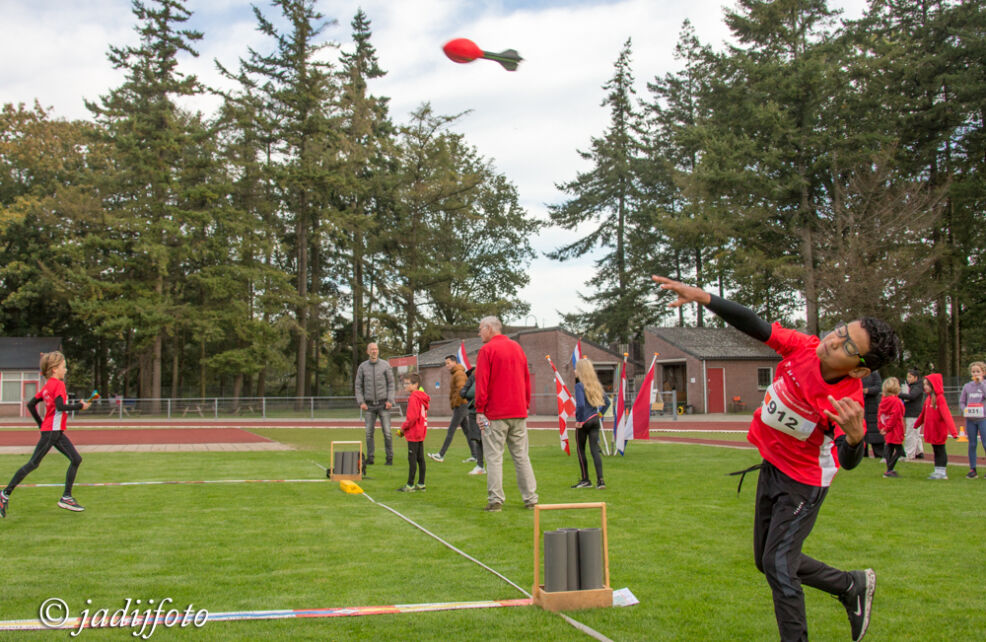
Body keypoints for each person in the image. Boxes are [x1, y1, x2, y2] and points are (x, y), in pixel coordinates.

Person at [653, 275, 901, 642]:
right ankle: (849, 585)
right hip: (772, 466)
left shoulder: (844, 400)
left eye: (847, 345)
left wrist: (854, 438)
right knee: (766, 560)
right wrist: (703, 297)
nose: (834, 340)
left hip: (803, 483)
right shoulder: (806, 348)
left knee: (779, 565)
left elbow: (849, 461)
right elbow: (754, 324)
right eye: (840, 331)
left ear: (860, 369)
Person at [0, 351, 92, 518]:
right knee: (33, 463)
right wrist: (80, 406)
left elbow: (31, 404)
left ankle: (66, 497)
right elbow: (60, 407)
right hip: (52, 432)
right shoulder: (58, 384)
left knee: (76, 459)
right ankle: (4, 494)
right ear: (55, 369)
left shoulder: (47, 385)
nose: (66, 370)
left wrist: (41, 424)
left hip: (53, 431)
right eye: (64, 366)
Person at [474, 316, 538, 512]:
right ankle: (531, 498)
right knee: (521, 456)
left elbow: (482, 381)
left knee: (494, 457)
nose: (479, 333)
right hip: (518, 411)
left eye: (480, 329)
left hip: (495, 413)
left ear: (489, 328)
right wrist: (525, 404)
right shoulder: (517, 348)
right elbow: (526, 379)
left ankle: (496, 500)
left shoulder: (487, 350)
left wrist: (479, 410)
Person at [572, 357, 610, 489]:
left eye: (576, 369)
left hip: (584, 421)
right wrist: (599, 415)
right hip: (595, 420)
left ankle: (585, 480)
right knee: (594, 450)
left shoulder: (579, 386)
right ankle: (601, 480)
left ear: (581, 371)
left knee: (580, 449)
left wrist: (579, 420)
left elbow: (581, 405)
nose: (574, 371)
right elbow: (607, 402)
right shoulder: (596, 385)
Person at [354, 342, 395, 465]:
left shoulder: (385, 365)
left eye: (376, 349)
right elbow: (358, 386)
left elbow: (391, 384)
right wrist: (361, 401)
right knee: (369, 434)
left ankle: (389, 458)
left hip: (384, 404)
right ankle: (370, 458)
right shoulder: (362, 367)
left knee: (387, 433)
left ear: (378, 351)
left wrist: (390, 400)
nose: (374, 351)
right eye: (372, 349)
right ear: (368, 351)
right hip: (369, 405)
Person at [914, 373, 957, 480]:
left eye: (927, 385)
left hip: (939, 431)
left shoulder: (940, 399)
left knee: (940, 450)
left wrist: (954, 432)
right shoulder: (928, 399)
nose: (925, 387)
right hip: (931, 431)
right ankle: (937, 470)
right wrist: (916, 425)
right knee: (936, 450)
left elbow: (947, 416)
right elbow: (923, 414)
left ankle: (942, 472)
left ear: (933, 385)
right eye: (924, 384)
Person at [428, 355, 471, 464]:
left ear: (454, 362)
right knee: (467, 432)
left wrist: (456, 403)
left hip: (460, 405)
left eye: (448, 363)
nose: (447, 365)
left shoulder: (459, 374)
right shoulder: (456, 373)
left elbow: (461, 390)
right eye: (446, 364)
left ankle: (441, 455)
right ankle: (475, 455)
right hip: (461, 405)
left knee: (451, 430)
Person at [396, 374, 429, 492]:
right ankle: (421, 483)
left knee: (412, 459)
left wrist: (402, 429)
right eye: (404, 383)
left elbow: (412, 418)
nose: (405, 386)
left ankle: (410, 485)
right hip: (421, 431)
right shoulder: (421, 397)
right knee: (420, 458)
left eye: (407, 383)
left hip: (414, 433)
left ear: (416, 385)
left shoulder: (414, 397)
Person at [958, 361, 986, 479]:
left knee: (985, 443)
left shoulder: (984, 385)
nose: (975, 374)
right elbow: (962, 401)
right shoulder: (967, 386)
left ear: (983, 373)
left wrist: (982, 383)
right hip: (970, 420)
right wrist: (965, 410)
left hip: (983, 418)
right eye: (973, 371)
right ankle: (972, 469)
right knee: (972, 444)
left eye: (978, 371)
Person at [459, 366, 486, 475]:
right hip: (480, 413)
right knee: (481, 439)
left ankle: (481, 465)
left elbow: (467, 392)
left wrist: (472, 396)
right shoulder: (474, 377)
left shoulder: (476, 377)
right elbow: (463, 392)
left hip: (479, 413)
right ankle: (481, 465)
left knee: (482, 439)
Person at [877, 377, 906, 478]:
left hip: (887, 428)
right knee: (899, 451)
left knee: (889, 447)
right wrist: (888, 428)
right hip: (895, 429)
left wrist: (882, 427)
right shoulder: (896, 401)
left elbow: (880, 414)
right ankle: (889, 469)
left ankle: (889, 469)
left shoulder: (883, 401)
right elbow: (895, 416)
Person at [899, 369, 925, 460]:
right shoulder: (912, 386)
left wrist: (899, 394)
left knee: (911, 433)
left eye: (910, 377)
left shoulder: (918, 387)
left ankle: (908, 454)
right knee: (915, 433)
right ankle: (919, 451)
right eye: (907, 377)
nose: (908, 379)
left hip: (914, 413)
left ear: (916, 378)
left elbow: (912, 396)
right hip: (911, 412)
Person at [861, 370, 884, 459]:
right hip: (862, 405)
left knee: (875, 430)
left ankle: (879, 453)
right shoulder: (857, 373)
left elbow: (878, 387)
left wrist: (868, 390)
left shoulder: (874, 373)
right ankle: (862, 453)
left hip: (873, 406)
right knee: (862, 431)